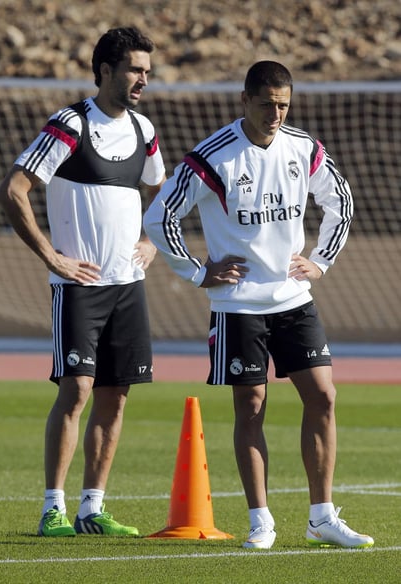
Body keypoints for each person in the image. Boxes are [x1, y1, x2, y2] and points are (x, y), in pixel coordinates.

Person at [143, 61, 374, 550]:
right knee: (251, 406)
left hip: (293, 299)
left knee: (324, 397)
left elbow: (342, 201)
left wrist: (321, 260)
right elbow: (160, 215)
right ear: (244, 101)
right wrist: (199, 271)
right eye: (267, 103)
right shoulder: (213, 157)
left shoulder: (304, 148)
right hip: (237, 306)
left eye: (284, 104)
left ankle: (321, 517)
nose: (276, 112)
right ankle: (261, 521)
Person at [0, 26, 166, 537]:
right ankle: (53, 508)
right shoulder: (69, 125)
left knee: (116, 395)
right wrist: (52, 256)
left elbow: (162, 187)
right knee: (77, 390)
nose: (143, 79)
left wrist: (152, 241)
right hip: (78, 287)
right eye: (135, 69)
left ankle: (92, 508)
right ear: (106, 71)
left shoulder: (144, 130)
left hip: (127, 284)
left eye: (147, 72)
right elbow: (15, 189)